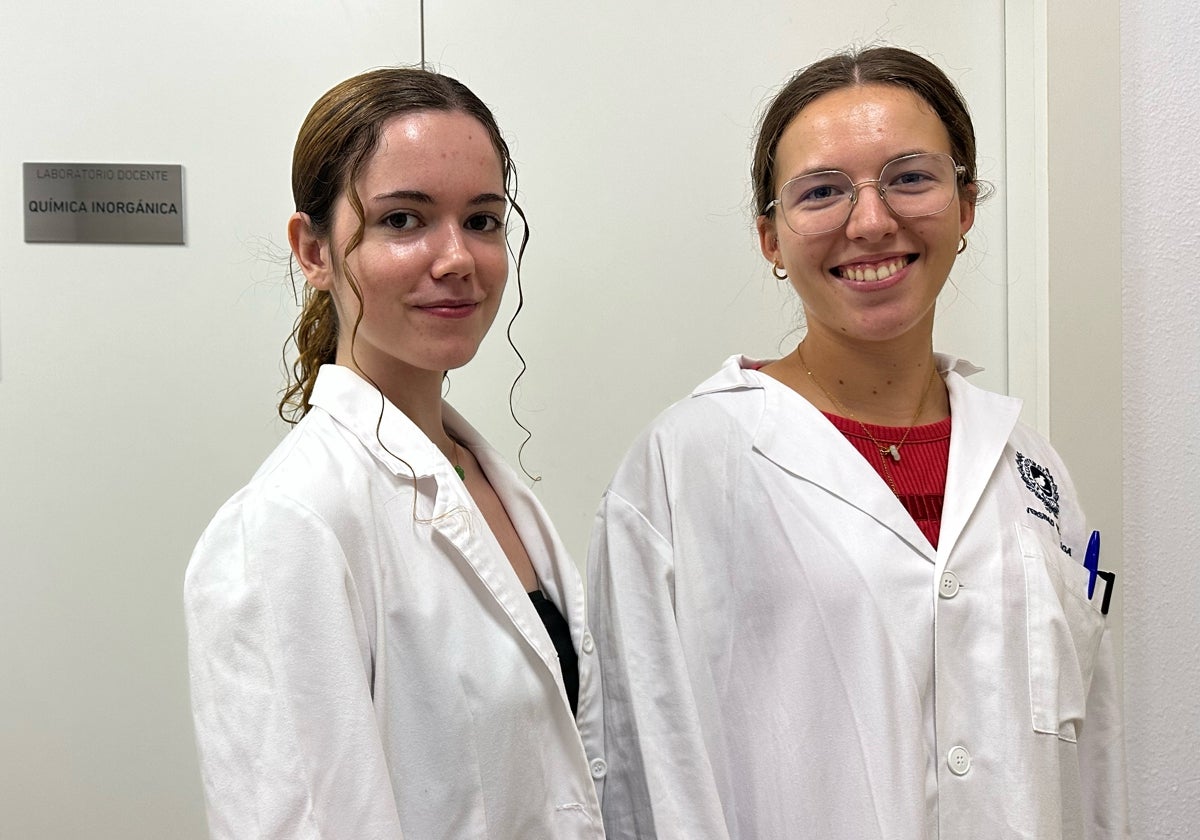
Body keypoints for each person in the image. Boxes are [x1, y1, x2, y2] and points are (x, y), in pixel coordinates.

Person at [587, 46, 1127, 839]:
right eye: (821, 193)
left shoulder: (1031, 470)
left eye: (911, 177)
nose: (871, 222)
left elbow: (1093, 764)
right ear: (770, 238)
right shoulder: (686, 466)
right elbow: (645, 769)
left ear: (966, 204)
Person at [185, 68, 606, 839]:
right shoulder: (290, 526)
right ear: (313, 251)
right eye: (404, 220)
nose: (457, 259)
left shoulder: (479, 476)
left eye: (482, 221)